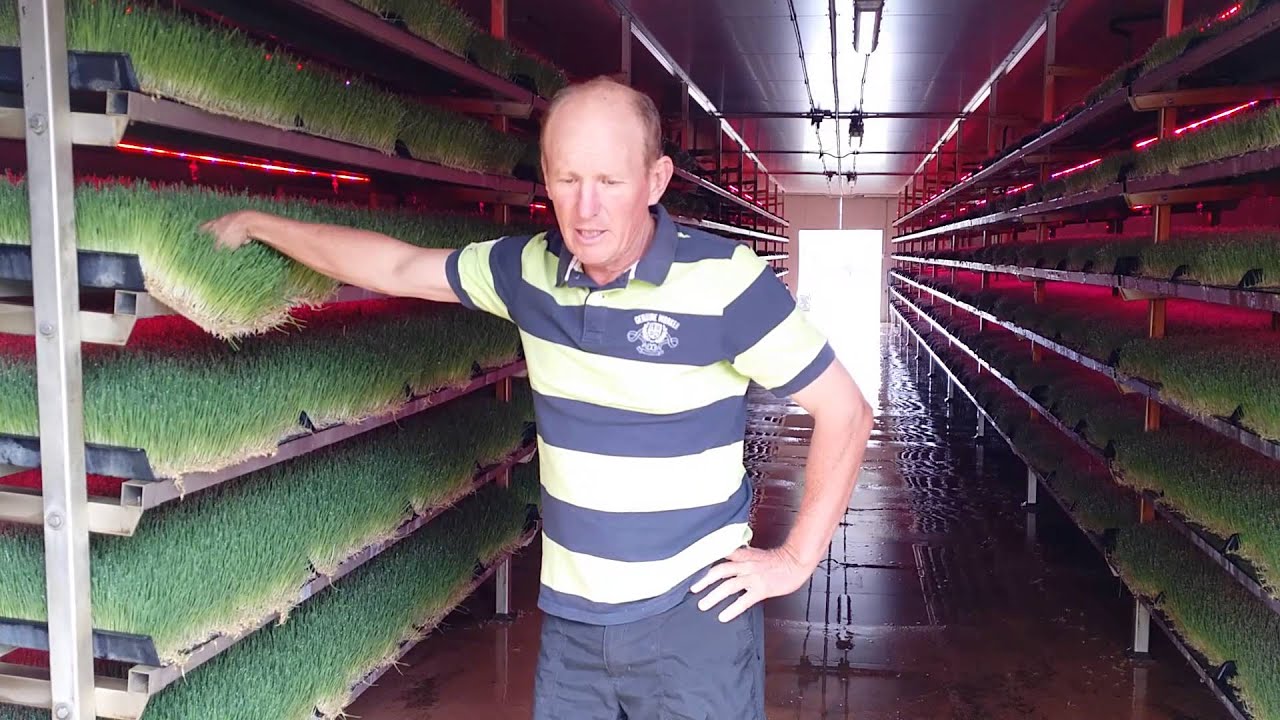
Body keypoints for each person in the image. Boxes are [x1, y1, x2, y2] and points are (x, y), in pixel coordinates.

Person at [203, 75, 874, 719]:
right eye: (568, 179)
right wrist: (265, 223)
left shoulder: (728, 282)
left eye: (609, 181)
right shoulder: (525, 272)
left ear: (655, 180)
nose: (586, 208)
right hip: (575, 625)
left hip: (692, 621)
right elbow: (397, 265)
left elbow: (844, 410)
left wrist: (794, 558)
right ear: (547, 179)